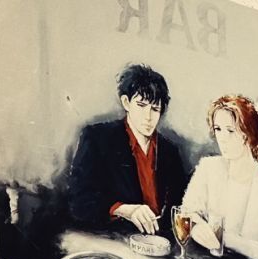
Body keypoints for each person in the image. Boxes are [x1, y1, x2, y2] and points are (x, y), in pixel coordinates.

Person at [68, 64, 187, 237]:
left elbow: (180, 206)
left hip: (159, 243)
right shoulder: (97, 138)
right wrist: (123, 209)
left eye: (155, 109)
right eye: (141, 105)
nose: (148, 117)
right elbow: (78, 202)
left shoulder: (170, 151)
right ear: (126, 102)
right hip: (111, 239)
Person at [179, 95, 258, 259]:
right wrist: (197, 227)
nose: (222, 138)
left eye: (230, 131)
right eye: (218, 129)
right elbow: (188, 212)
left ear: (248, 134)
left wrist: (223, 237)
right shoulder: (208, 168)